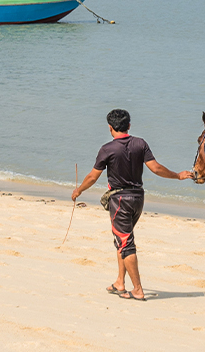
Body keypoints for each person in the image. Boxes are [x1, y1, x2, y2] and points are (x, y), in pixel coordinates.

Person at [71, 108, 191, 301]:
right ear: (128, 126)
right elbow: (156, 168)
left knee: (126, 244)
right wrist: (177, 175)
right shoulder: (140, 143)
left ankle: (137, 289)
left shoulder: (107, 149)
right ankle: (120, 281)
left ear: (110, 128)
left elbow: (93, 176)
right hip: (138, 199)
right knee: (122, 240)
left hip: (120, 201)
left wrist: (78, 191)